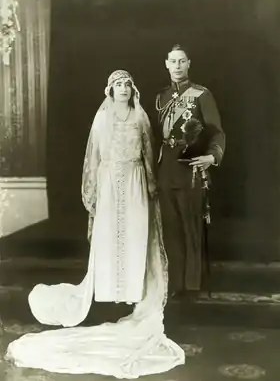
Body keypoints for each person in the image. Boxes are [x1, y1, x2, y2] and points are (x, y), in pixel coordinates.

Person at [6, 70, 185, 378]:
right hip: (110, 184)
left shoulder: (140, 117)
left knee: (135, 236)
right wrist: (99, 191)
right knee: (110, 238)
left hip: (135, 183)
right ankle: (108, 289)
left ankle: (131, 289)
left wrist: (152, 186)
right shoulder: (102, 118)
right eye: (118, 85)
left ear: (132, 89)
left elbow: (147, 153)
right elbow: (95, 157)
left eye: (127, 84)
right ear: (109, 90)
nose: (123, 89)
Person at [154, 44, 225, 300]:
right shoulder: (160, 98)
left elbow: (216, 131)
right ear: (166, 64)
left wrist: (212, 156)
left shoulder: (201, 95)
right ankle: (176, 284)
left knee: (191, 226)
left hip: (191, 169)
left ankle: (193, 286)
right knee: (170, 228)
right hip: (166, 170)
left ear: (188, 63)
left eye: (181, 61)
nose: (177, 66)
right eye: (172, 61)